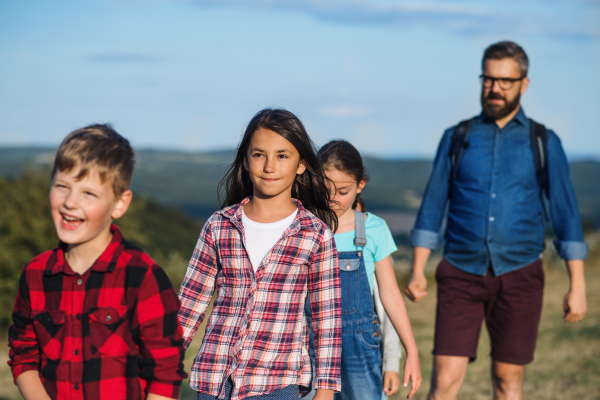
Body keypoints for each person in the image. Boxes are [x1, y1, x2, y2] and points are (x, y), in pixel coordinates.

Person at [405, 41, 588, 400]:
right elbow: (432, 206)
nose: (495, 88)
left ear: (524, 83)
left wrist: (577, 286)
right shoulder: (456, 137)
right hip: (459, 272)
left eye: (505, 81)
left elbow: (566, 214)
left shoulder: (543, 141)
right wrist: (417, 270)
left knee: (508, 382)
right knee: (443, 381)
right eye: (488, 79)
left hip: (521, 275)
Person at [8, 124, 187, 400]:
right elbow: (24, 356)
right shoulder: (34, 275)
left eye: (88, 194)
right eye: (62, 186)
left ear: (119, 204)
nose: (70, 202)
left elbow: (164, 374)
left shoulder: (143, 277)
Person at [177, 108, 342, 400]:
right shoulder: (219, 225)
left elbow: (326, 318)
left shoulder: (315, 234)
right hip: (213, 380)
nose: (269, 167)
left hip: (276, 384)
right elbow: (189, 305)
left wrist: (326, 390)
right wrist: (160, 366)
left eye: (282, 155)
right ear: (245, 159)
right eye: (259, 155)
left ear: (301, 164)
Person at [306, 140, 421, 400]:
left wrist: (408, 351)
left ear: (361, 185)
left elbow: (389, 295)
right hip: (311, 347)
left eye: (343, 190)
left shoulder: (374, 230)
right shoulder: (306, 228)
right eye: (324, 189)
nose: (332, 198)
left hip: (362, 347)